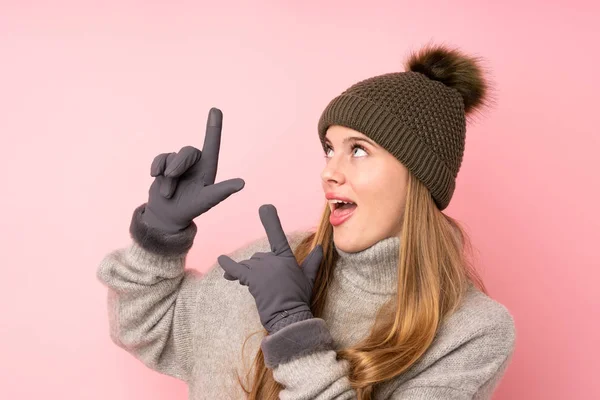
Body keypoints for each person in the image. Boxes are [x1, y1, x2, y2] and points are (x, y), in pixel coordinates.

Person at [97, 43, 516, 399]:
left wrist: (292, 328)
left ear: (419, 176)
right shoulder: (270, 265)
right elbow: (147, 331)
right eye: (328, 149)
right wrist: (158, 237)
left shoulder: (472, 332)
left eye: (358, 150)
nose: (329, 172)